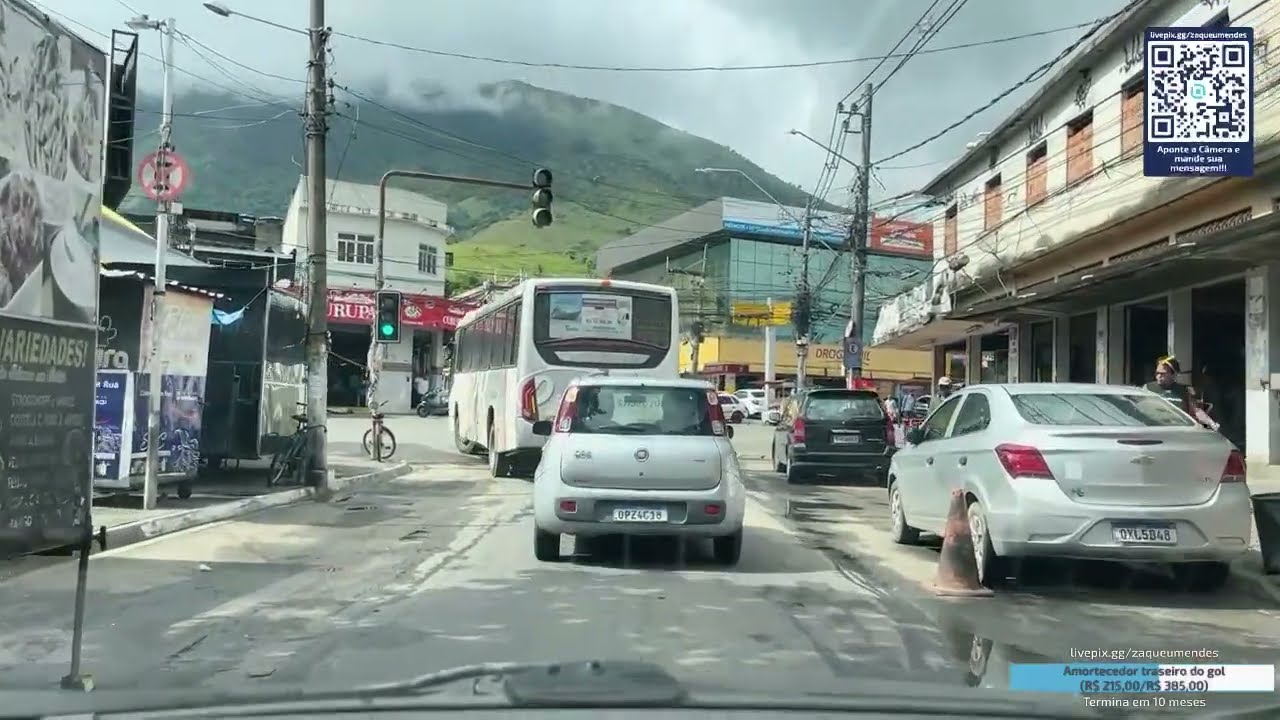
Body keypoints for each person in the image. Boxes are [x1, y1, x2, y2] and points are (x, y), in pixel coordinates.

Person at [1144, 355, 1220, 431]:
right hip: (1153, 429)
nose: (1158, 376)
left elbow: (1196, 411)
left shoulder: (1184, 391)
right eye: (1157, 373)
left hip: (1179, 430)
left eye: (1163, 373)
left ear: (1174, 375)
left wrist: (1211, 424)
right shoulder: (1148, 388)